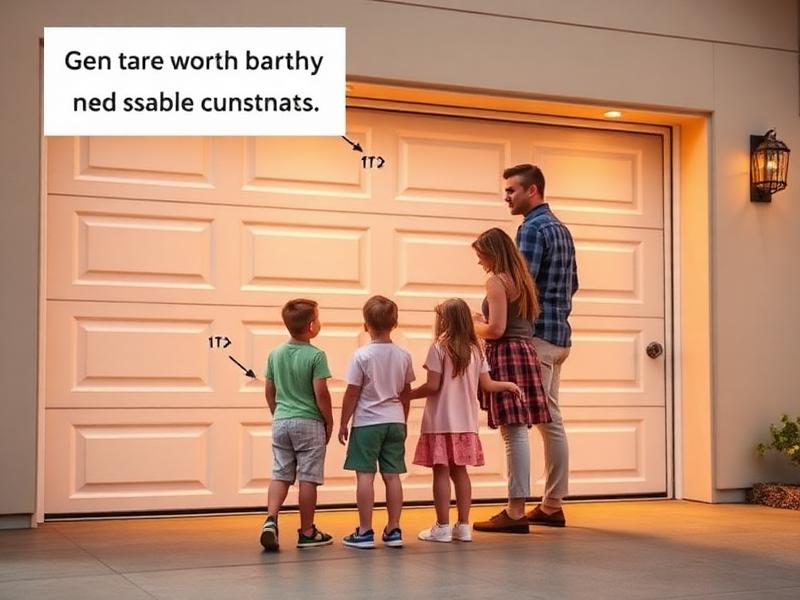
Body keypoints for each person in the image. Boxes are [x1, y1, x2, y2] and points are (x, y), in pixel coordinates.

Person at [406, 298, 522, 543]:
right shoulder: (476, 349)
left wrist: (408, 394)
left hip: (439, 422)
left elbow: (433, 386)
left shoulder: (438, 348)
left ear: (445, 320)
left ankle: (443, 527)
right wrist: (508, 385)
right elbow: (487, 384)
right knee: (461, 473)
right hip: (466, 424)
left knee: (440, 472)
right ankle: (464, 526)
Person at [504, 163, 578, 527]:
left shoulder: (532, 229)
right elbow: (573, 283)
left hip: (536, 337)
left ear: (532, 190)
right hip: (559, 333)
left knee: (526, 421)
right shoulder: (561, 229)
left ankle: (534, 507)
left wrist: (495, 317)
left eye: (512, 190)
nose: (507, 197)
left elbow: (521, 285)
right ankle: (551, 505)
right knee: (550, 419)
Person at [470, 228, 551, 534]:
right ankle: (516, 506)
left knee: (513, 434)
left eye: (481, 256)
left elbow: (496, 330)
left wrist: (472, 323)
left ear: (493, 253)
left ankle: (515, 510)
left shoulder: (497, 281)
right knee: (518, 432)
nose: (480, 263)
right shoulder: (523, 280)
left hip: (507, 355)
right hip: (525, 352)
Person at [338, 295, 415, 549]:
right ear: (395, 324)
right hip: (394, 421)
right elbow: (406, 392)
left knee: (365, 477)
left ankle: (364, 531)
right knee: (393, 477)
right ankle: (394, 530)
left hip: (367, 423)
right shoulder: (403, 356)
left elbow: (352, 392)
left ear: (365, 325)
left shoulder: (361, 356)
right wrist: (403, 419)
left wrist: (343, 422)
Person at [260, 298, 335, 551]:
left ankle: (271, 519)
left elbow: (269, 391)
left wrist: (277, 413)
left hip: (281, 421)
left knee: (280, 474)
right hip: (309, 422)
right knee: (308, 478)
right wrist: (329, 420)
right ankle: (307, 531)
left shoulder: (275, 354)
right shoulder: (316, 356)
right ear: (312, 325)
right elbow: (321, 393)